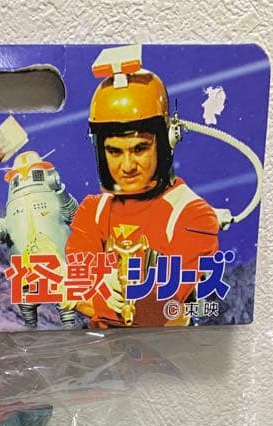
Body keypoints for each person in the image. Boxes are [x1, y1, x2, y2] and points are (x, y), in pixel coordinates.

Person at [66, 48, 219, 327]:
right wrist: (92, 292)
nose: (127, 166)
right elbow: (73, 283)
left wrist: (92, 298)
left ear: (167, 140)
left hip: (164, 351)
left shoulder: (193, 216)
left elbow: (153, 313)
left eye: (139, 149)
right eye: (114, 151)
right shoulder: (92, 211)